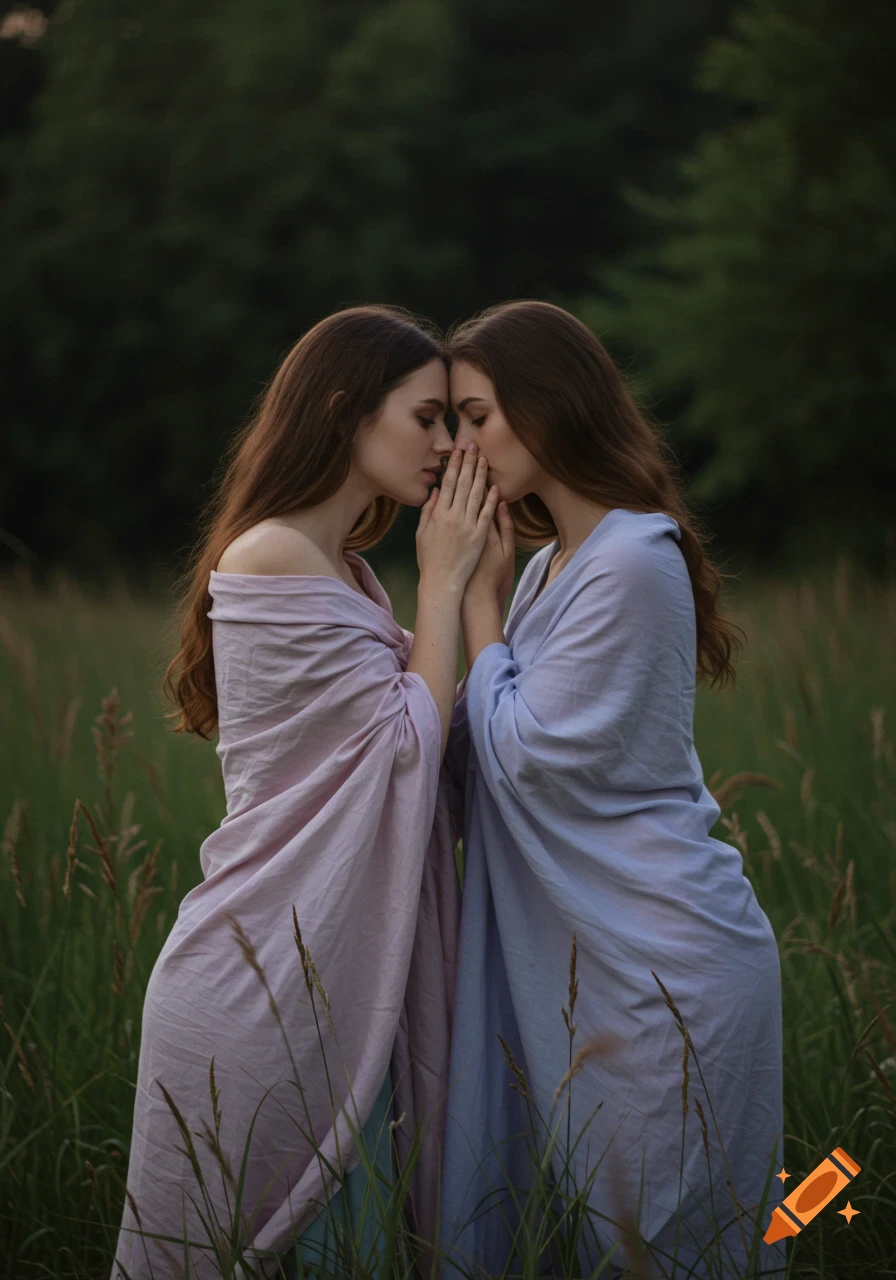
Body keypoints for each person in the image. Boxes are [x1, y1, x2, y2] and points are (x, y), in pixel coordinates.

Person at [111, 305, 500, 1279]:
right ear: (343, 412)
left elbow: (442, 741)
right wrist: (444, 584)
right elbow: (406, 745)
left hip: (324, 967)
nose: (447, 445)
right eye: (425, 418)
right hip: (265, 978)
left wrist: (465, 593)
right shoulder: (273, 553)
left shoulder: (351, 571)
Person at [437, 301, 787, 1280]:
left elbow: (529, 756)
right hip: (594, 981)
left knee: (690, 1248)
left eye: (475, 413)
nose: (459, 445)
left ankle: (841, 1221)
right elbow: (471, 751)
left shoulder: (633, 556)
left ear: (545, 406)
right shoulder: (549, 566)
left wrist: (471, 601)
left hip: (664, 973)